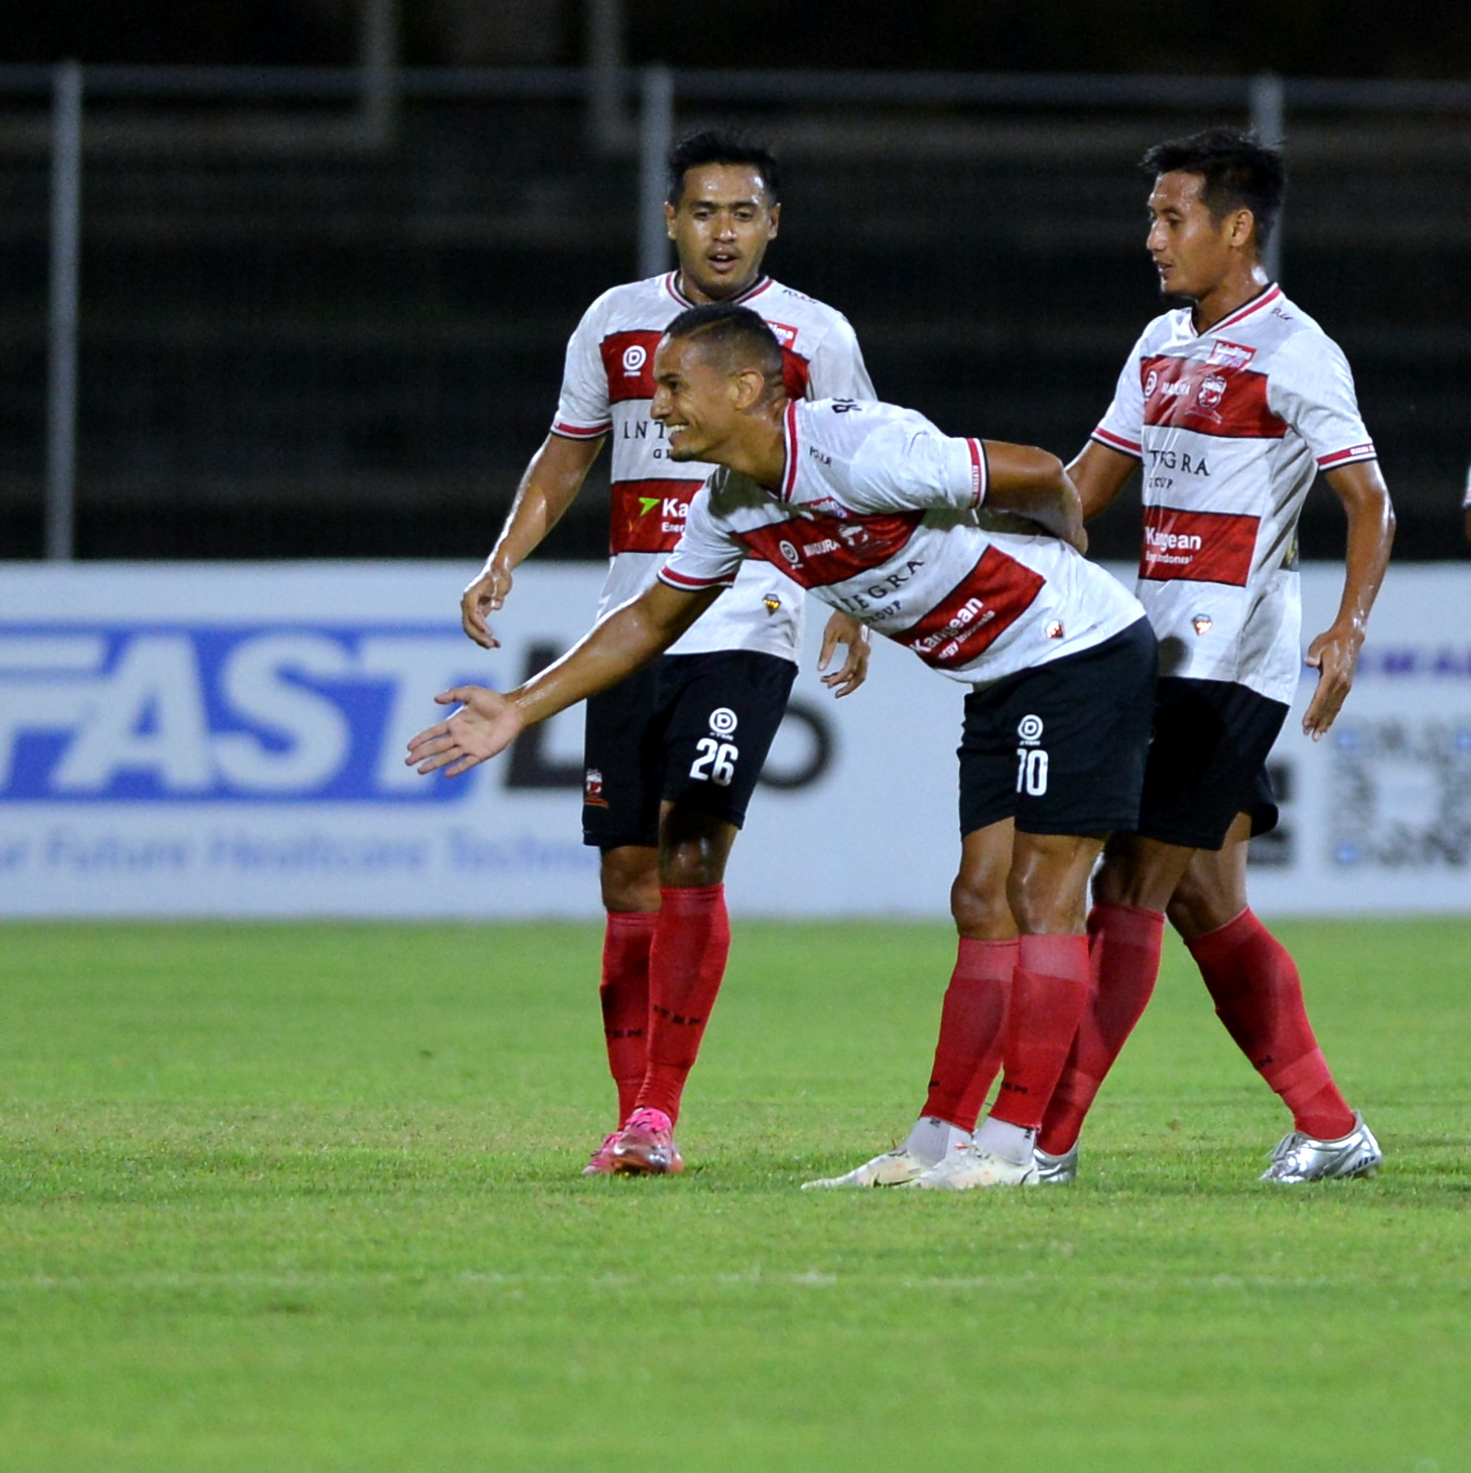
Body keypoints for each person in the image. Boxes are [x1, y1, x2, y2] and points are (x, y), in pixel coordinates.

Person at [411, 302, 1154, 1191]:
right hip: (996, 675)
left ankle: (1015, 1146)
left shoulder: (864, 449)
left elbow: (1034, 470)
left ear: (748, 388)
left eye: (676, 387)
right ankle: (935, 1141)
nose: (659, 410)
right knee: (977, 898)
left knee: (1040, 892)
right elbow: (648, 618)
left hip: (1081, 650)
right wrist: (520, 710)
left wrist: (1068, 549)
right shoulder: (731, 503)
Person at [457, 131, 873, 1177]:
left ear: (771, 223)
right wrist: (504, 554)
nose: (720, 230)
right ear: (669, 221)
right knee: (626, 876)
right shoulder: (612, 321)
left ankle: (656, 1114)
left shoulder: (811, 336)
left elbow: (862, 470)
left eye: (741, 212)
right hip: (629, 619)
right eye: (702, 211)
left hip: (748, 621)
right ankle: (629, 1114)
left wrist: (850, 601)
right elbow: (567, 449)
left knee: (690, 848)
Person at [1010, 129, 1393, 1184]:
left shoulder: (1293, 353)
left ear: (1235, 228)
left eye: (1171, 218)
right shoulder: (1156, 345)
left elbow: (1368, 500)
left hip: (1234, 665)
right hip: (1154, 654)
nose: (1152, 238)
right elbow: (1085, 487)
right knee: (1201, 899)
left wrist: (1344, 631)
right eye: (1150, 218)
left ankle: (1045, 1141)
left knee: (1127, 886)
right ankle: (1327, 1127)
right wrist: (968, 545)